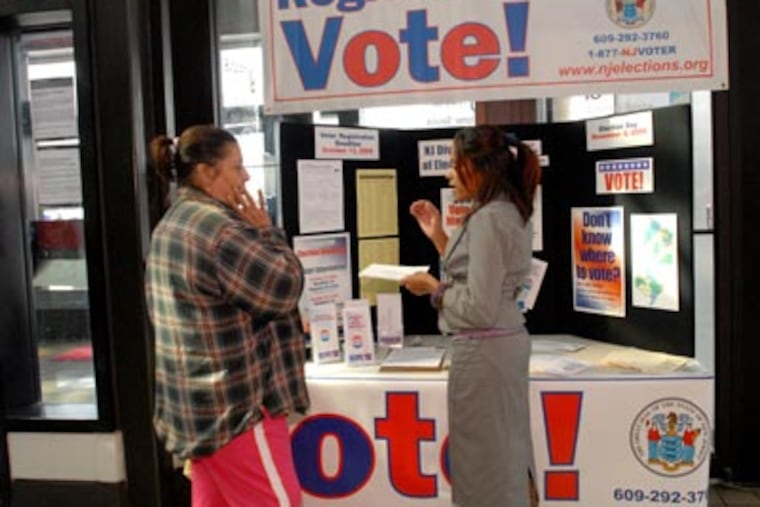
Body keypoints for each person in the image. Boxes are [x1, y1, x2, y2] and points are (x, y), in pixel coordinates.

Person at [145, 125, 309, 507]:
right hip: (238, 413)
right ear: (205, 172)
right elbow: (283, 288)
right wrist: (267, 233)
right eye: (236, 168)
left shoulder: (172, 223)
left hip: (196, 412)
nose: (247, 176)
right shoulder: (219, 230)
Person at [401, 125, 541, 507]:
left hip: (484, 352)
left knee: (484, 467)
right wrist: (439, 237)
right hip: (502, 346)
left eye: (453, 164)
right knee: (505, 457)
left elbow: (478, 307)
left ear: (475, 168)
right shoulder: (509, 209)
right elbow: (486, 279)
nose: (448, 173)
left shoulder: (488, 218)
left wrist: (433, 289)